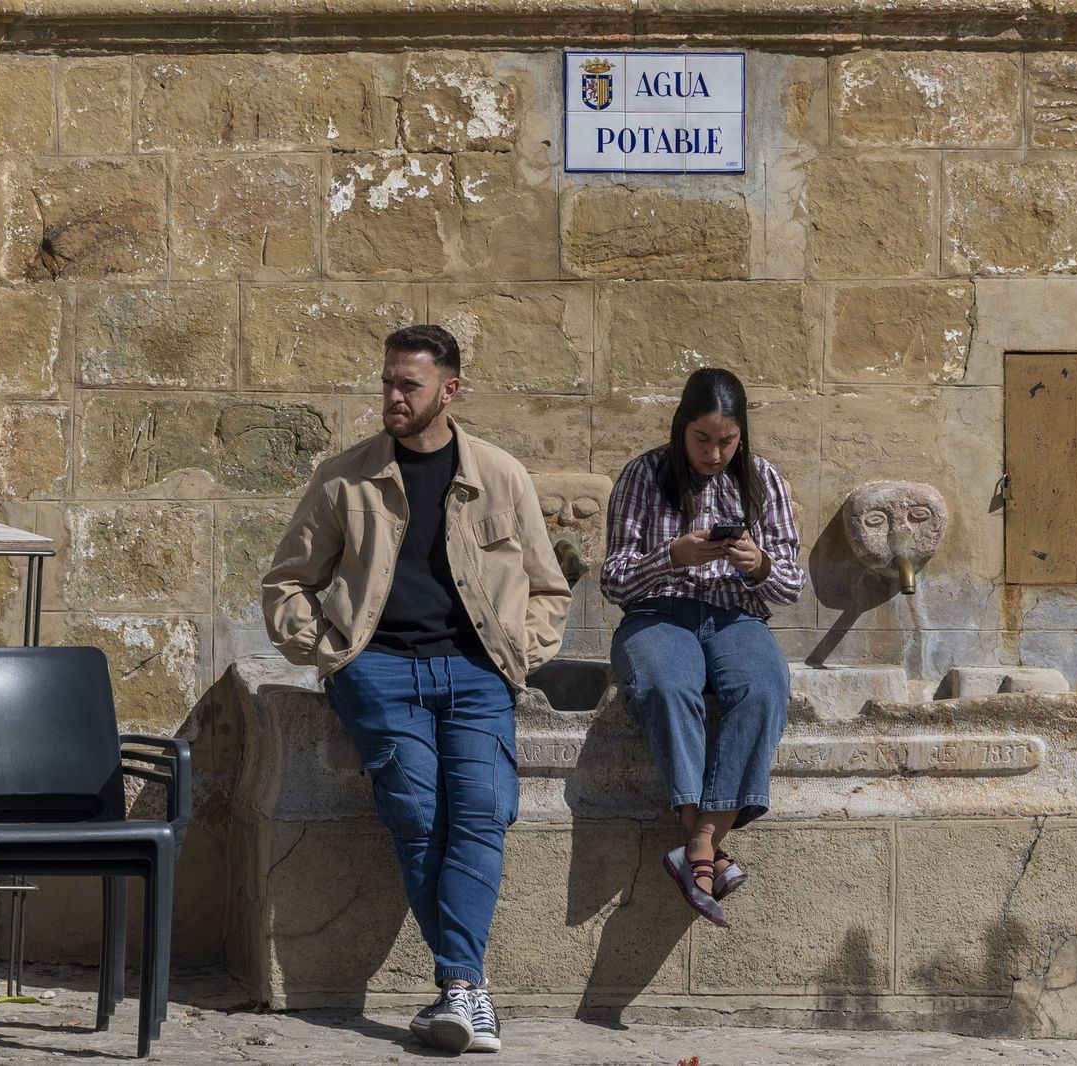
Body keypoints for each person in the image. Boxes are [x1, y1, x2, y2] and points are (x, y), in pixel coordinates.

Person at [262, 324, 570, 1055]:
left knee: (484, 812)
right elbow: (286, 583)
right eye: (388, 383)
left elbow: (549, 587)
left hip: (475, 672)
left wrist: (517, 655)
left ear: (449, 391)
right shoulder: (345, 477)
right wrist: (331, 653)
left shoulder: (501, 475)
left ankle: (460, 988)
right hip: (382, 671)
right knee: (417, 813)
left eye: (410, 386)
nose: (394, 398)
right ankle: (467, 986)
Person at [600, 368, 804, 927]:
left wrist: (759, 564)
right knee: (665, 684)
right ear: (680, 428)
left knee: (764, 687)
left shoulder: (763, 480)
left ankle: (699, 845)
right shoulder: (643, 475)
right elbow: (613, 582)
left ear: (742, 436)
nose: (715, 453)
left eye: (727, 441)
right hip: (656, 614)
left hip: (737, 616)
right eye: (703, 439)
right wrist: (673, 556)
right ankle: (705, 849)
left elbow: (790, 584)